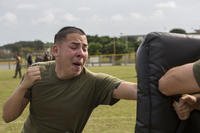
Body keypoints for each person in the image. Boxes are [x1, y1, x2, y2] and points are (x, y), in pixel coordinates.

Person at [2, 26, 137, 133]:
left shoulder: (95, 82)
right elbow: (8, 116)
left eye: (85, 48)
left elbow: (135, 90)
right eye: (74, 47)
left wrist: (157, 77)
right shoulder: (38, 72)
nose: (81, 53)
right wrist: (23, 86)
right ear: (55, 50)